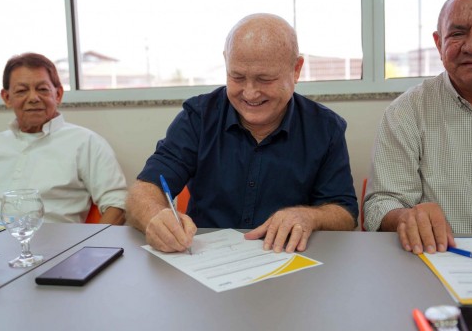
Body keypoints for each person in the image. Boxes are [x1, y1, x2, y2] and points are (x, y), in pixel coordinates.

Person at [126, 13, 358, 253]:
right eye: (236, 77)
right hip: (204, 262)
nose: (249, 93)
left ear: (296, 69)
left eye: (264, 79)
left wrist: (309, 216)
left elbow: (345, 213)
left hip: (287, 262)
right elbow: (144, 190)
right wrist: (155, 217)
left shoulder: (324, 128)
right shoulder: (199, 117)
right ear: (226, 62)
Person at [364, 0, 472, 254]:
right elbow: (381, 203)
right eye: (457, 33)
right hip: (439, 260)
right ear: (438, 43)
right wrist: (405, 217)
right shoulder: (407, 112)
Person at [0, 52, 127, 224]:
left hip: (54, 246)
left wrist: (95, 249)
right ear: (7, 97)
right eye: (21, 91)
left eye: (42, 89)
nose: (33, 98)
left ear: (58, 94)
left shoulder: (86, 143)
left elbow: (117, 203)